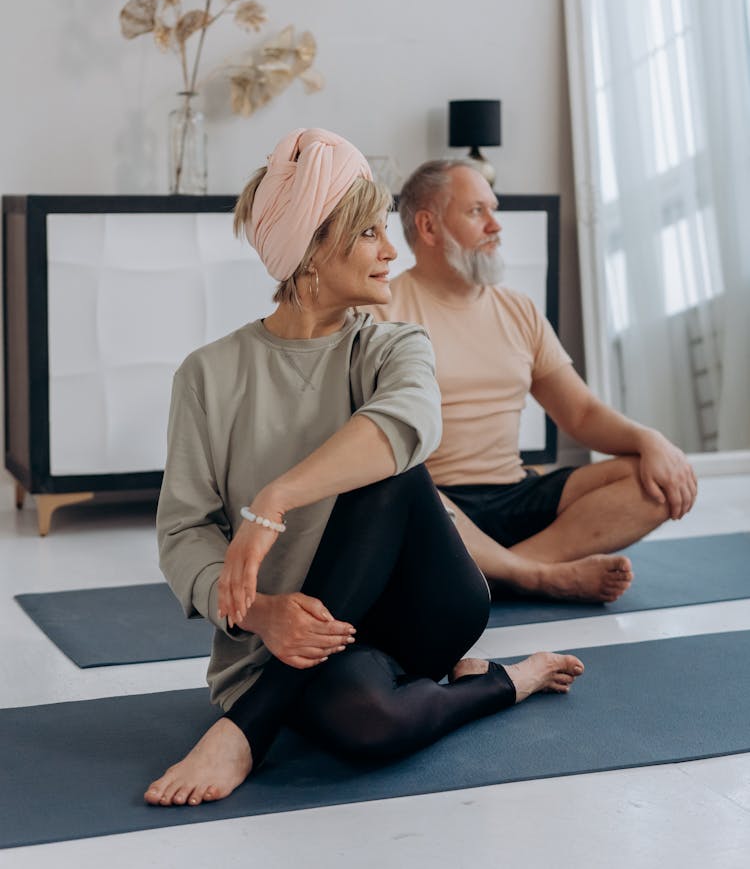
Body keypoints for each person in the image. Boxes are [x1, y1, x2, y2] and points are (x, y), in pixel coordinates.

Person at [144, 129, 583, 808]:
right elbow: (182, 532)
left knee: (391, 466)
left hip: (421, 608)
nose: (392, 250)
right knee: (369, 724)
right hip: (289, 642)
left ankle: (245, 729)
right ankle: (507, 680)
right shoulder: (208, 375)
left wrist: (274, 501)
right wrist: (262, 614)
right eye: (372, 233)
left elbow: (410, 422)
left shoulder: (394, 344)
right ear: (315, 250)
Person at [372, 159, 698, 604]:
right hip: (436, 504)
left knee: (653, 484)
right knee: (392, 487)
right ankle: (536, 576)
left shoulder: (519, 310)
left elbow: (579, 413)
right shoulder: (381, 312)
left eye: (494, 209)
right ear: (428, 227)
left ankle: (498, 574)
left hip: (515, 491)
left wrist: (650, 440)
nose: (495, 226)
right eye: (476, 212)